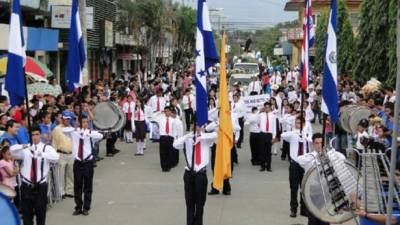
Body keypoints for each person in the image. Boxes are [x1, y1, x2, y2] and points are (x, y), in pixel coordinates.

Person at [10, 125, 59, 225]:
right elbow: (11, 151)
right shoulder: (26, 149)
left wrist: (40, 154)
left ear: (40, 135)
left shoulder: (46, 148)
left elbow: (56, 157)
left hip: (40, 185)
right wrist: (23, 146)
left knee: (41, 214)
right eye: (32, 135)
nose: (35, 137)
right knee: (27, 215)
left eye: (37, 134)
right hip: (27, 185)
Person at [172, 126, 217, 225]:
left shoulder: (206, 139)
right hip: (189, 174)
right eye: (195, 125)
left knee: (200, 203)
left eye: (199, 126)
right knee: (189, 203)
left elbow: (216, 135)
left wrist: (201, 136)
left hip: (201, 174)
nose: (197, 127)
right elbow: (175, 144)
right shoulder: (187, 139)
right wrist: (187, 136)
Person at [298, 133, 346, 225]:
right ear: (313, 144)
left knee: (325, 220)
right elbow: (299, 160)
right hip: (312, 193)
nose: (319, 145)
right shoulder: (309, 156)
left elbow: (342, 158)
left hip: (326, 192)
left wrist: (331, 151)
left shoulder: (328, 155)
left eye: (321, 143)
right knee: (312, 220)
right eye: (317, 143)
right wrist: (317, 156)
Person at [63, 115, 103, 216]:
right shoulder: (74, 132)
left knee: (88, 186)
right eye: (82, 122)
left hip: (88, 162)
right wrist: (76, 128)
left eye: (86, 122)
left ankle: (86, 207)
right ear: (78, 122)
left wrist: (87, 133)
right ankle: (78, 206)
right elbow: (64, 130)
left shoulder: (90, 134)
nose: (84, 124)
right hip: (78, 162)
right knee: (77, 185)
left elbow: (100, 136)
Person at [281, 117, 311, 218]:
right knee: (294, 188)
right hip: (294, 164)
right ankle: (293, 209)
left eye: (299, 123)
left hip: (305, 164)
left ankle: (304, 209)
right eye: (296, 123)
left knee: (304, 187)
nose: (297, 124)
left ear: (304, 124)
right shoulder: (292, 134)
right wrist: (295, 132)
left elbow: (312, 140)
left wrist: (305, 135)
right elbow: (283, 135)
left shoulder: (307, 133)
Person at [52, 111, 74, 199]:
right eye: (66, 119)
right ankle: (61, 192)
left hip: (70, 153)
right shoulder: (57, 129)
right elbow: (54, 143)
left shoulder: (71, 128)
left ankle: (69, 190)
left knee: (70, 174)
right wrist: (55, 156)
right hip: (61, 153)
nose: (67, 120)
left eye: (69, 119)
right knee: (60, 174)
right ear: (62, 119)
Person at [258, 102, 278, 172]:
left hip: (269, 134)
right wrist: (259, 111)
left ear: (270, 108)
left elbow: (274, 127)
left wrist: (274, 137)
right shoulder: (261, 115)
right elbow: (257, 121)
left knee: (268, 152)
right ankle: (262, 166)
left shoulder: (273, 115)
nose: (267, 109)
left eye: (268, 107)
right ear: (264, 108)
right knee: (262, 151)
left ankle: (268, 166)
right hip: (262, 134)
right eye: (265, 107)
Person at [155, 106, 175, 172]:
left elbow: (174, 130)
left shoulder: (173, 120)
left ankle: (168, 166)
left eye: (168, 111)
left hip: (170, 137)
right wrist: (160, 112)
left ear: (170, 112)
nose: (167, 113)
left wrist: (175, 138)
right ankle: (163, 167)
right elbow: (153, 116)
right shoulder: (161, 118)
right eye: (165, 111)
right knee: (162, 153)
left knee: (169, 152)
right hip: (163, 137)